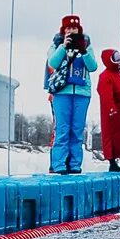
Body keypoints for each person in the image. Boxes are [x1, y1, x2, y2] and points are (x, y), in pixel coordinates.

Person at [46, 15, 98, 174]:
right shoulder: (56, 44)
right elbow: (52, 63)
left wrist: (84, 51)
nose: (71, 31)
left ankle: (75, 165)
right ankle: (59, 164)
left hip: (82, 93)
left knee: (77, 129)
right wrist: (63, 46)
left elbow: (93, 67)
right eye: (68, 28)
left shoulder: (87, 45)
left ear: (79, 30)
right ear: (63, 30)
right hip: (62, 92)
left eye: (74, 29)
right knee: (62, 129)